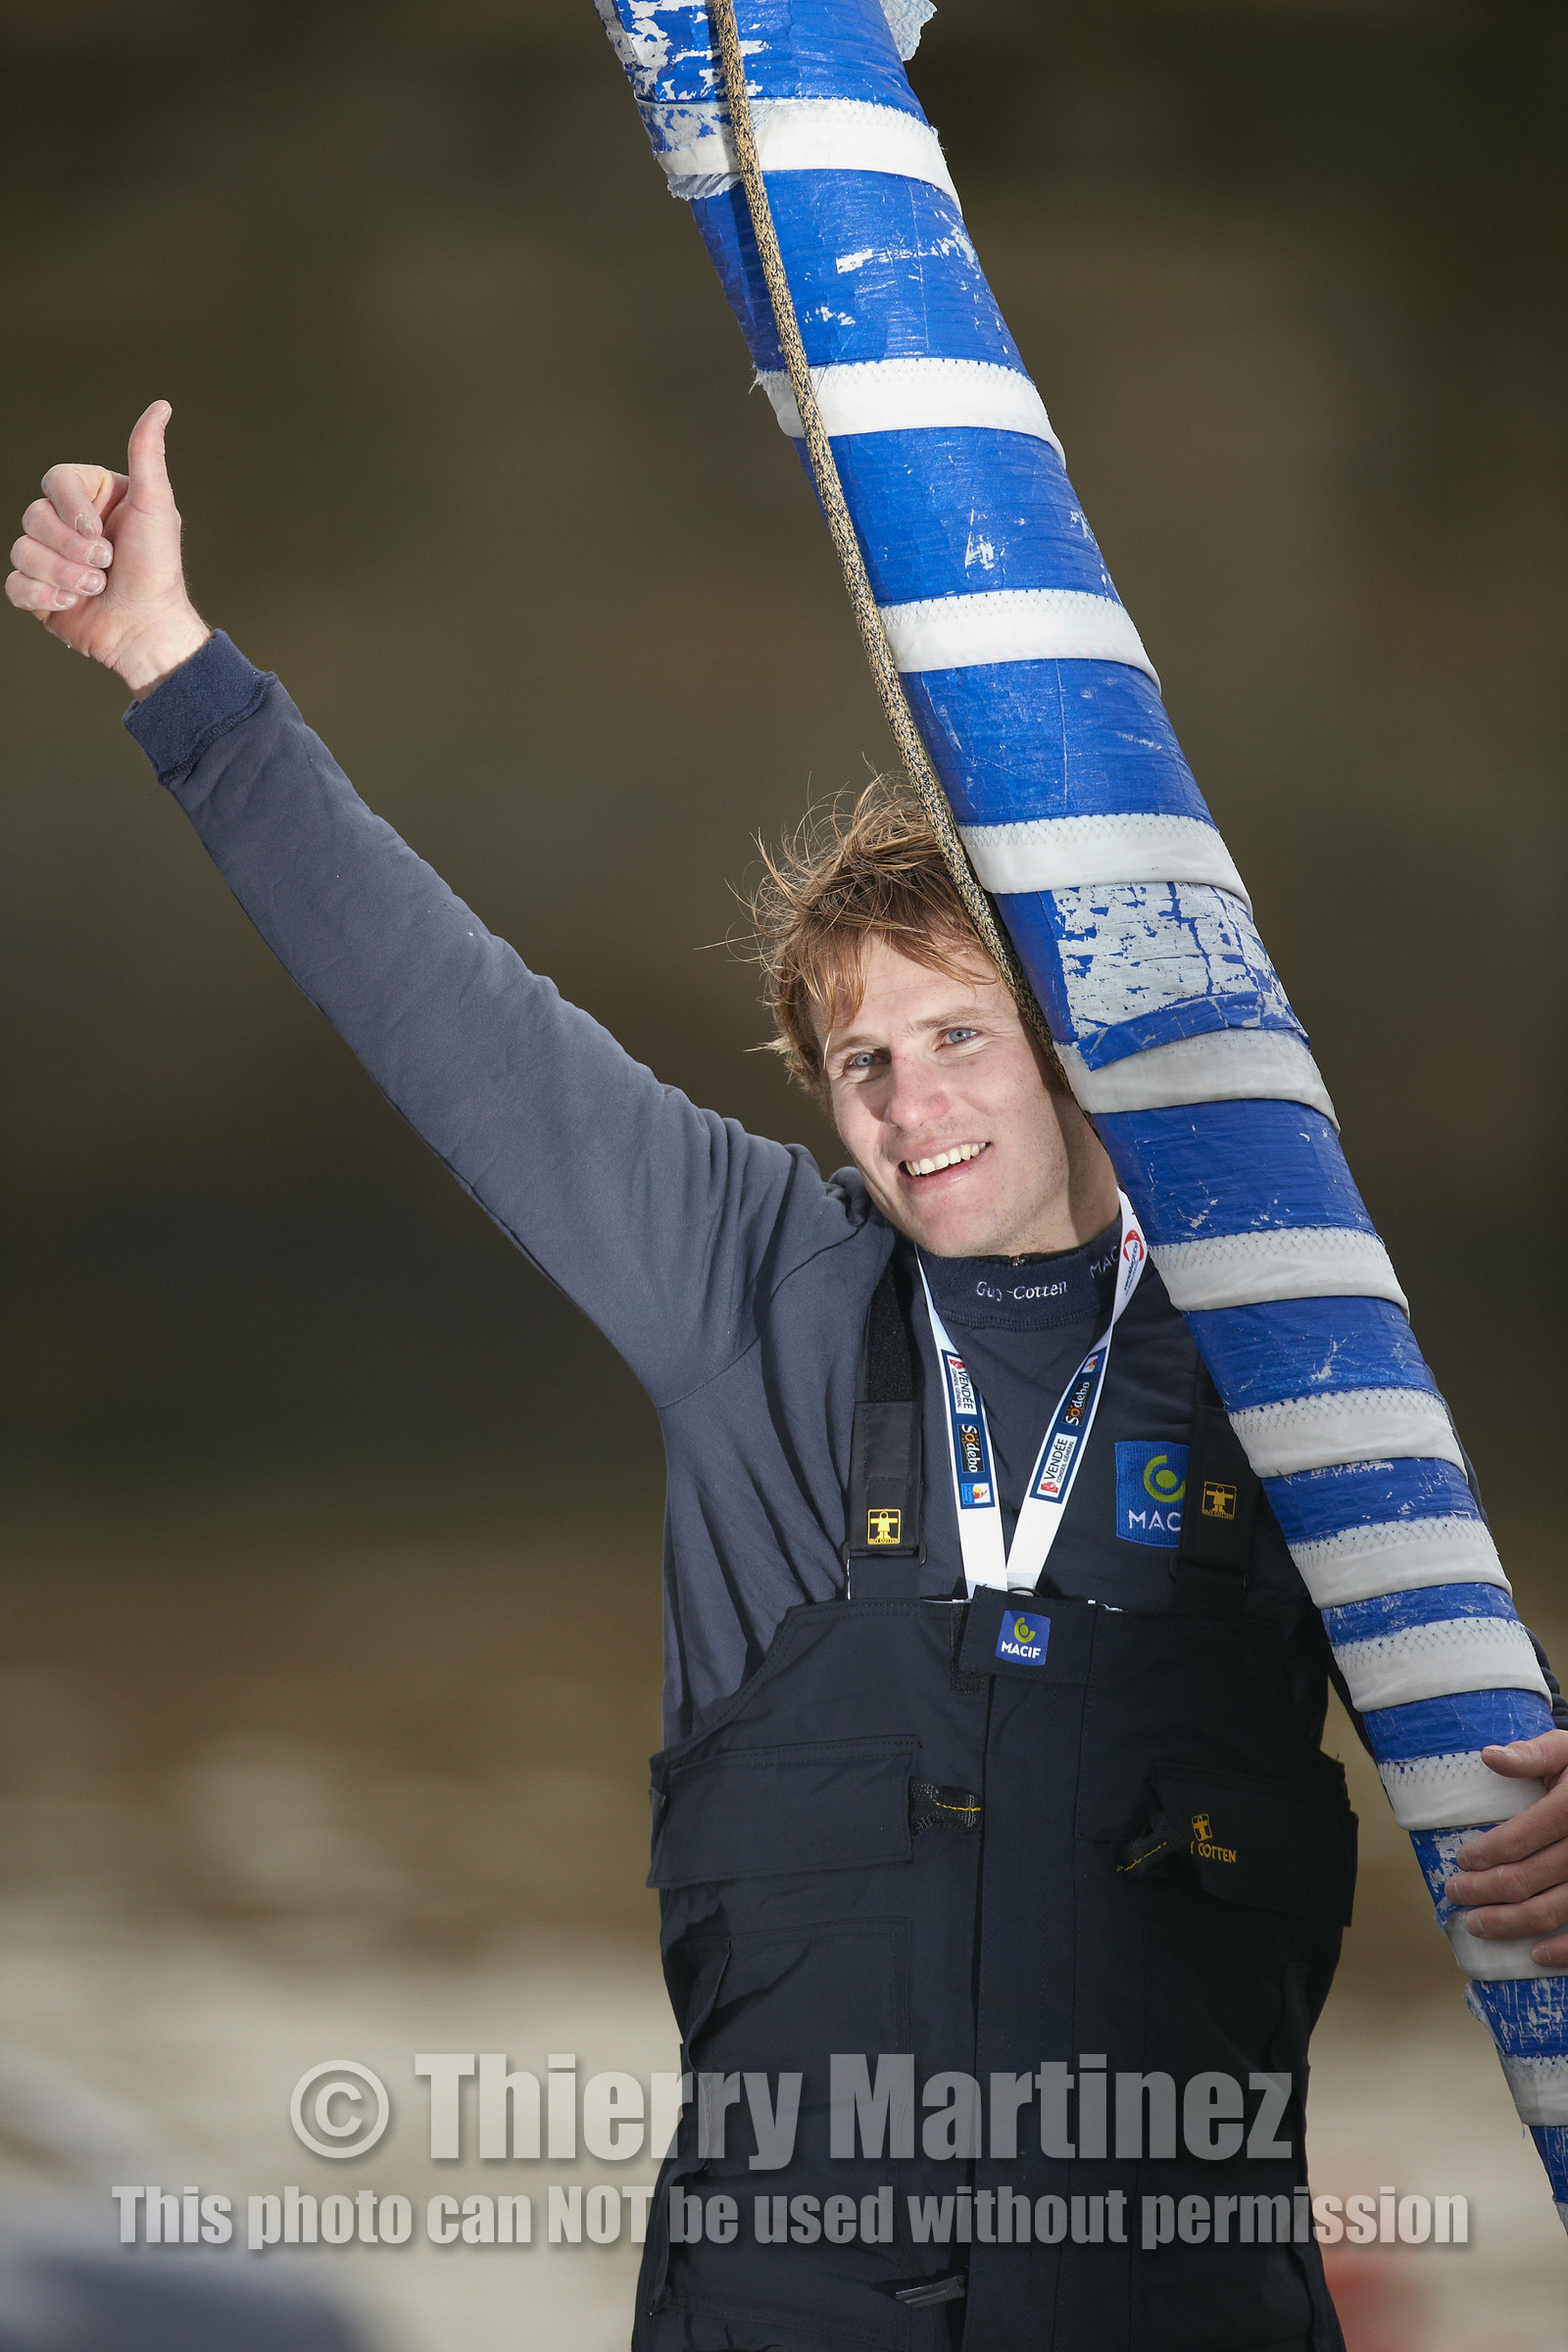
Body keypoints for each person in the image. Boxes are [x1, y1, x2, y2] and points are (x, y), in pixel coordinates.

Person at [11, 404, 1568, 2352]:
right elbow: (451, 1015)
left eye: (957, 1037)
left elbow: (1498, 1742)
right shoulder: (751, 1279)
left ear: (1071, 1041)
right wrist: (173, 666)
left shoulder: (1288, 1361)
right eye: (861, 1065)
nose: (912, 1110)